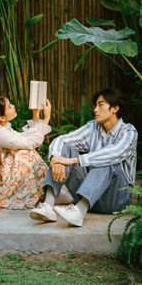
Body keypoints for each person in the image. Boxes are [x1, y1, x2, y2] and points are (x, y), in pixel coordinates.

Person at [30, 88, 138, 226]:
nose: (95, 110)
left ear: (115, 108)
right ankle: (48, 206)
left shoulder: (129, 131)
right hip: (91, 196)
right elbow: (62, 140)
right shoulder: (93, 127)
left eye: (101, 104)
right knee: (66, 148)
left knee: (107, 158)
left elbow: (115, 153)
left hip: (115, 199)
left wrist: (75, 160)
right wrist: (56, 160)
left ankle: (79, 213)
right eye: (95, 105)